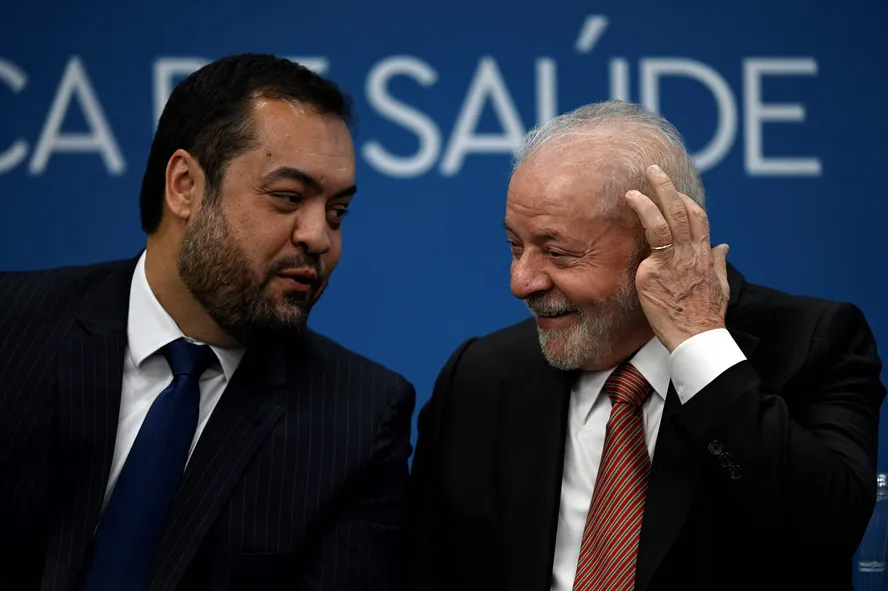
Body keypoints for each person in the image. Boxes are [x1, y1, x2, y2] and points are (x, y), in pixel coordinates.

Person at [409, 100, 886, 591]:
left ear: (661, 242)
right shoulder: (482, 376)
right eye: (515, 245)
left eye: (557, 253)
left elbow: (828, 530)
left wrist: (699, 342)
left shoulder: (811, 342)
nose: (521, 280)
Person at [0, 54, 415, 591]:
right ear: (184, 186)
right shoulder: (14, 328)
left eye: (336, 212)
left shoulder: (356, 420)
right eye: (288, 198)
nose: (319, 237)